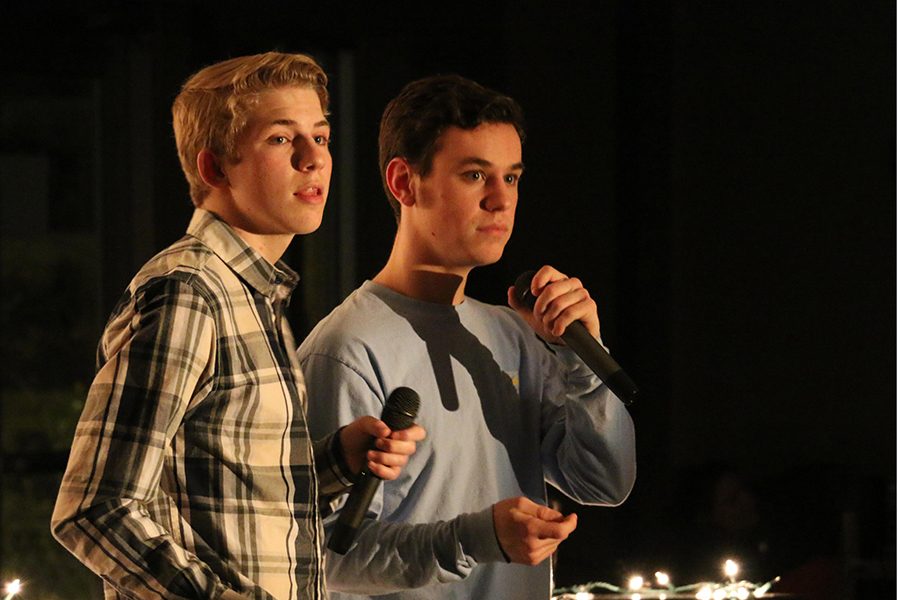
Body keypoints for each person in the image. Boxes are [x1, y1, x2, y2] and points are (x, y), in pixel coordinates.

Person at [51, 52, 424, 600]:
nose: (312, 159)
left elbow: (234, 506)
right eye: (280, 139)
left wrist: (338, 460)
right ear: (215, 168)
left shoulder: (251, 296)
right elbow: (94, 509)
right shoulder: (189, 292)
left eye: (319, 137)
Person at [297, 75, 637, 599]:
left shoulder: (510, 334)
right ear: (404, 183)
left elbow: (604, 482)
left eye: (513, 178)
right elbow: (326, 556)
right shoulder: (346, 349)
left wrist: (580, 358)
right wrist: (476, 538)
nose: (501, 201)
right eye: (475, 175)